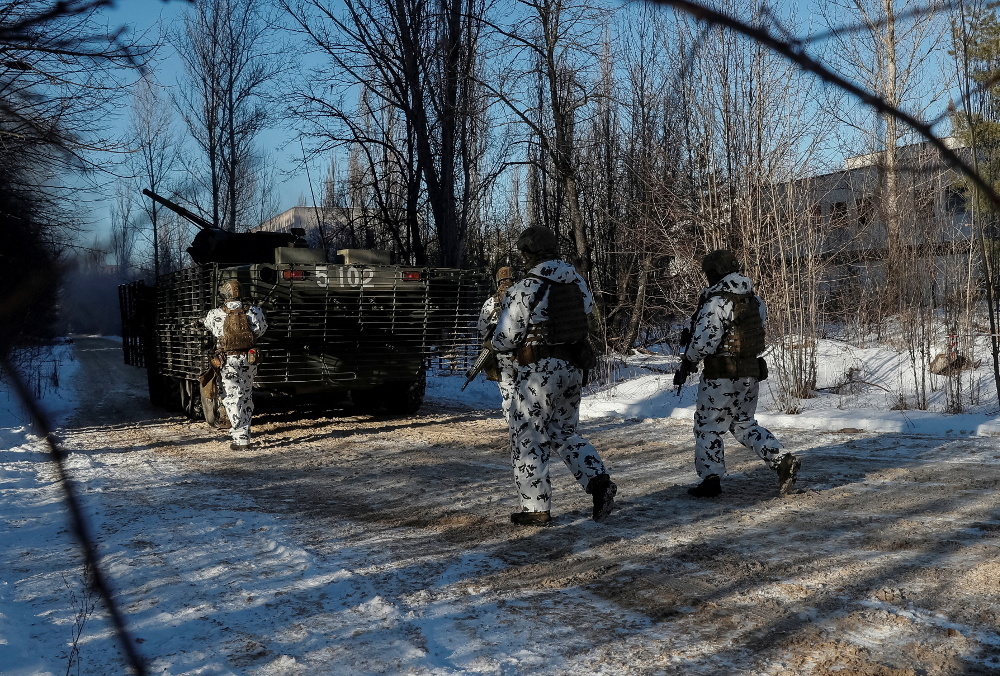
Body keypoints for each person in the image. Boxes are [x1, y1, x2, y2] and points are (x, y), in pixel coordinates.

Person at [492, 225, 617, 525]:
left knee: (528, 437)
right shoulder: (576, 280)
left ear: (529, 252)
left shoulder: (525, 288)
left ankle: (535, 509)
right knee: (564, 433)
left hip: (538, 373)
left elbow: (504, 339)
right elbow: (587, 309)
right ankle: (599, 482)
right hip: (573, 368)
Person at [674, 249, 800, 498]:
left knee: (708, 428)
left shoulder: (716, 302)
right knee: (744, 424)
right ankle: (782, 459)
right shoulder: (755, 300)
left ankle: (711, 480)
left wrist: (689, 360)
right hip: (750, 374)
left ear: (715, 273)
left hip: (721, 376)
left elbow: (704, 343)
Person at [204, 279, 268, 450]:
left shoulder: (215, 313)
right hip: (249, 359)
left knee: (232, 398)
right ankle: (245, 431)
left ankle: (241, 438)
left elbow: (209, 326)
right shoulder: (254, 310)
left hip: (227, 361)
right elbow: (261, 330)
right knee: (246, 395)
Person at [477, 266, 518, 422]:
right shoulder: (525, 297)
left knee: (508, 395)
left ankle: (514, 430)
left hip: (501, 356)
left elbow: (481, 328)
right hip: (526, 354)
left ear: (498, 281)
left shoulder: (491, 302)